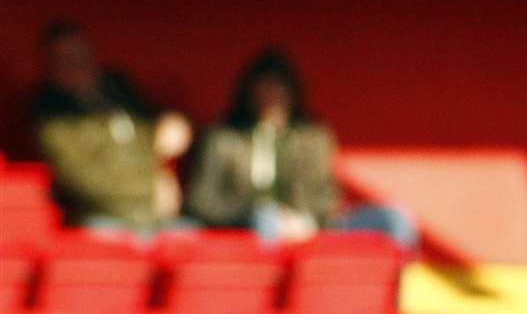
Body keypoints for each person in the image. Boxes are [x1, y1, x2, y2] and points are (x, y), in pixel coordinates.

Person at [186, 48, 416, 246]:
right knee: (266, 218)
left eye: (278, 89)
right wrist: (249, 215)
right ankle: (275, 294)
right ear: (249, 93)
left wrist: (304, 221)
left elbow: (327, 197)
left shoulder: (313, 136)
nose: (270, 97)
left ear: (292, 93)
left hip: (312, 227)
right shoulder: (224, 136)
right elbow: (201, 200)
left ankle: (388, 292)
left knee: (395, 219)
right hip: (245, 231)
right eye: (264, 89)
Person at [31, 20, 193, 232]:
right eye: (66, 59)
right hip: (102, 218)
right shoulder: (51, 115)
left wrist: (174, 124)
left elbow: (160, 127)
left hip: (156, 216)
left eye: (82, 56)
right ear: (50, 67)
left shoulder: (118, 91)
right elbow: (81, 180)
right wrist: (151, 189)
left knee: (199, 244)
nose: (77, 65)